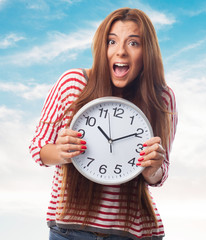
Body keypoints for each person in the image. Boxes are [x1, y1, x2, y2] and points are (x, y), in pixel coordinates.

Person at [29, 7, 177, 240]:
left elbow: (161, 172)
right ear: (102, 47)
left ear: (146, 50)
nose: (121, 52)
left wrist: (152, 168)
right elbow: (38, 147)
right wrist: (60, 152)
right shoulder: (73, 83)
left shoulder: (162, 97)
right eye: (112, 42)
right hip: (70, 230)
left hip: (131, 233)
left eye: (133, 43)